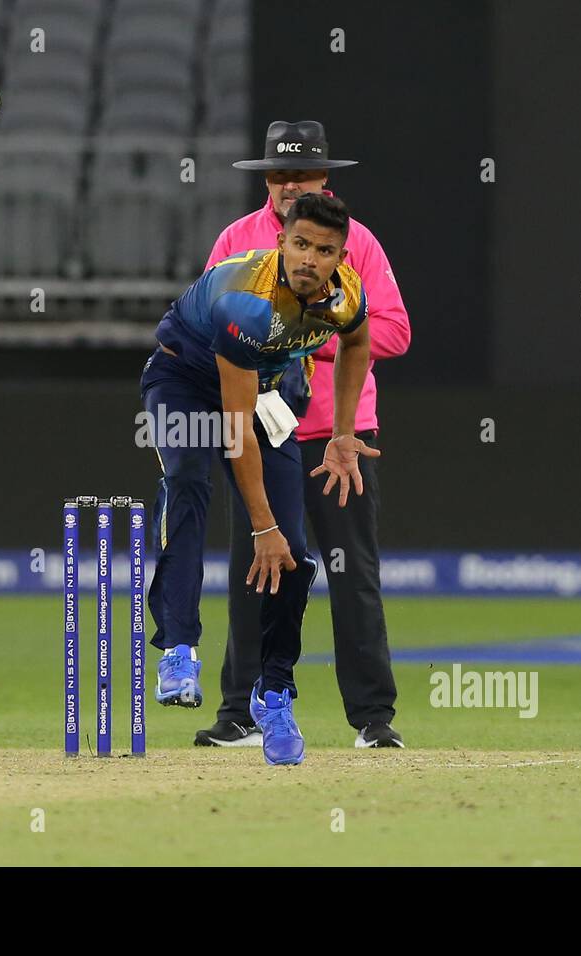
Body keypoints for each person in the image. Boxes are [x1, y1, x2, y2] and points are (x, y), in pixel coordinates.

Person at [141, 192, 379, 765]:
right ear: (281, 242)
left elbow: (358, 344)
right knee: (190, 480)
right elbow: (235, 431)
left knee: (291, 555)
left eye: (324, 251)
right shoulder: (245, 304)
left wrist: (343, 433)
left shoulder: (345, 294)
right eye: (300, 244)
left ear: (339, 256)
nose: (309, 260)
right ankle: (178, 645)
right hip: (184, 381)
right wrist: (260, 524)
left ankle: (273, 695)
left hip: (264, 390)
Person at [197, 120, 412, 749]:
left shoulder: (358, 244)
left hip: (338, 439)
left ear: (325, 179)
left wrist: (307, 334)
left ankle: (373, 719)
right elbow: (213, 329)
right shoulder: (237, 240)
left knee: (353, 576)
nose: (291, 186)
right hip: (264, 432)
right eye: (281, 175)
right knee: (254, 571)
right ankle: (239, 711)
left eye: (304, 175)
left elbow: (393, 332)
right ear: (267, 179)